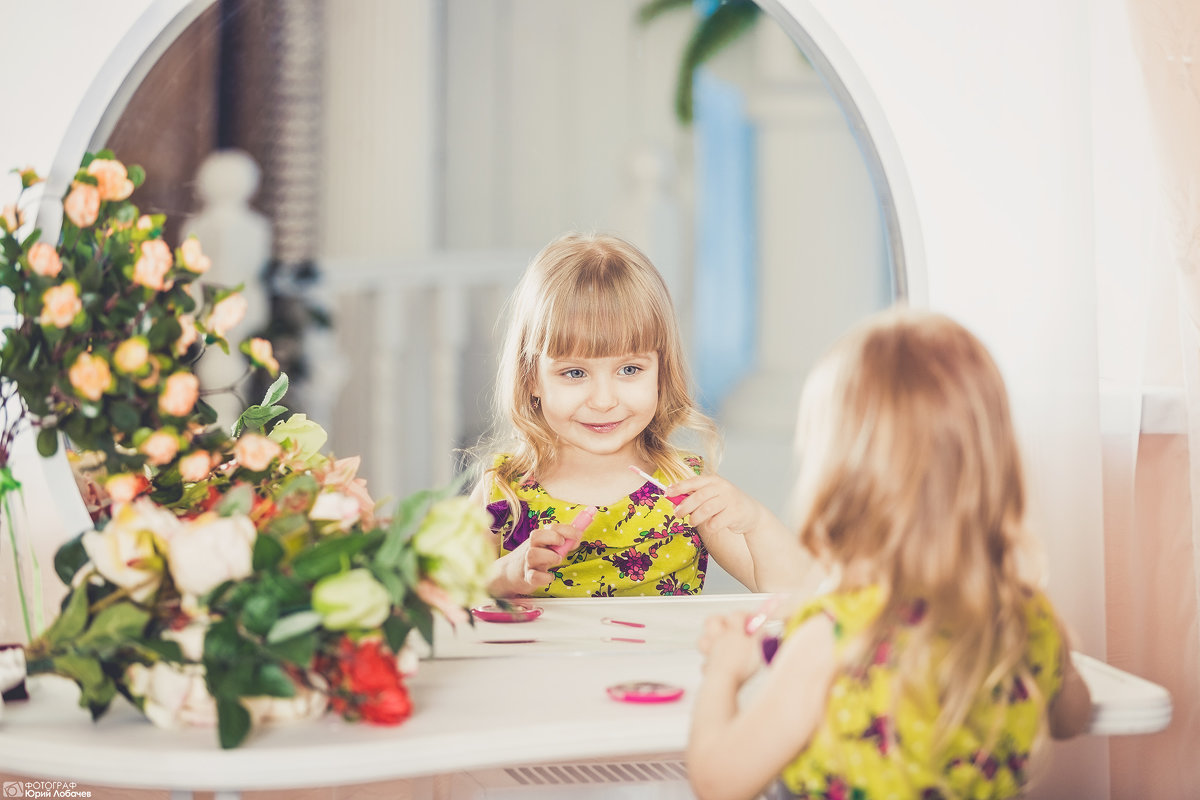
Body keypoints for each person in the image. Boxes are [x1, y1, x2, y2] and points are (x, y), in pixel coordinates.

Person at [686, 308, 1093, 800]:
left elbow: (717, 783)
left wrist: (726, 671)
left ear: (842, 479)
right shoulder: (1029, 621)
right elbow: (1074, 717)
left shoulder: (835, 638)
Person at [472, 232, 809, 598]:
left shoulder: (686, 488)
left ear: (661, 372)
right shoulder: (503, 490)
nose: (603, 401)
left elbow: (796, 593)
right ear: (530, 378)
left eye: (630, 370)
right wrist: (502, 574)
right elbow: (435, 601)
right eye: (575, 373)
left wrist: (756, 521)